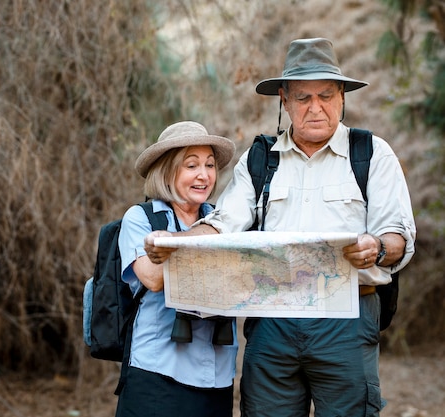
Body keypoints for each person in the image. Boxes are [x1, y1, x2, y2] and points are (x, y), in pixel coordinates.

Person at [144, 38, 416, 417]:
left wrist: (377, 247)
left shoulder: (371, 154)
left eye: (325, 95)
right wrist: (175, 242)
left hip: (348, 321)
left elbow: (399, 237)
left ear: (342, 97)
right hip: (271, 321)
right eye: (303, 98)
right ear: (284, 101)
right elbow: (223, 226)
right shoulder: (259, 160)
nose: (315, 107)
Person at [115, 121, 238, 417]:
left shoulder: (225, 220)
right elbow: (153, 278)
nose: (204, 175)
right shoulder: (140, 219)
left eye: (210, 165)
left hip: (217, 376)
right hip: (158, 374)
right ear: (168, 171)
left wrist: (174, 245)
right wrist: (210, 248)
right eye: (191, 165)